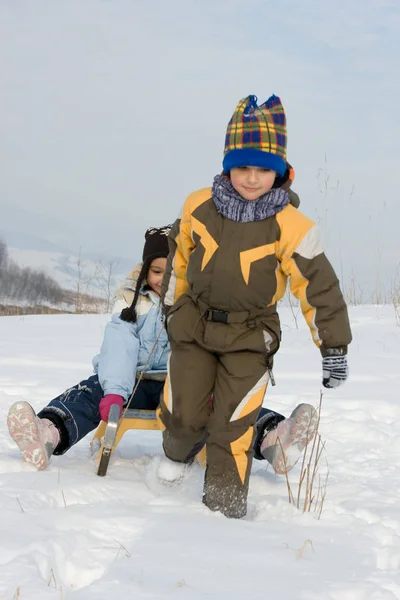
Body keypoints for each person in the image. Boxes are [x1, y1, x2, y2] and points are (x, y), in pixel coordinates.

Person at [157, 94, 352, 519]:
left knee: (232, 425)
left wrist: (333, 347)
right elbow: (180, 256)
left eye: (263, 169)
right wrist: (172, 306)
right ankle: (176, 454)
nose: (251, 178)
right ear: (228, 165)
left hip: (249, 336)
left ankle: (223, 514)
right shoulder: (198, 206)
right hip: (194, 325)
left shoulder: (292, 227)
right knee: (184, 414)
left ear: (281, 173)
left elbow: (318, 287)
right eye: (242, 166)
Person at [7, 224, 318, 478]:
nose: (164, 279)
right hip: (131, 382)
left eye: (174, 272)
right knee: (90, 391)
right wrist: (114, 390)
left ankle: (273, 438)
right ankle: (48, 432)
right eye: (157, 271)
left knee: (229, 402)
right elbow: (120, 345)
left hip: (181, 388)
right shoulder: (132, 302)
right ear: (145, 272)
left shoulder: (197, 306)